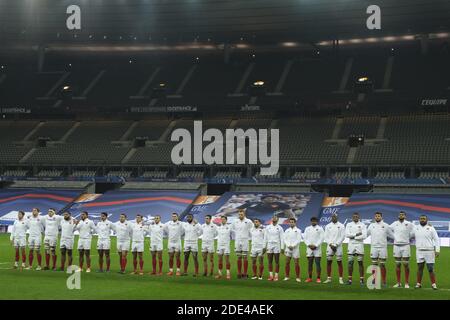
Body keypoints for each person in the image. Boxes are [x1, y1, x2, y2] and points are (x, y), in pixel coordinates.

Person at [411, 215, 440, 290]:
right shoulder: (415, 228)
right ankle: (418, 284)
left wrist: (437, 250)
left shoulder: (431, 228)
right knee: (420, 268)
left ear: (427, 220)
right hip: (419, 251)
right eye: (421, 219)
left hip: (429, 251)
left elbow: (436, 239)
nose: (422, 220)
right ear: (419, 220)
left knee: (430, 268)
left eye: (424, 219)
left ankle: (433, 284)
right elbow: (409, 235)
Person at [367, 212, 394, 287]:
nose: (377, 217)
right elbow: (366, 234)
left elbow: (392, 235)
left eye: (379, 216)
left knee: (382, 264)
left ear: (381, 217)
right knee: (374, 264)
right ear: (374, 217)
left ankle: (384, 281)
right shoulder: (371, 225)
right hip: (374, 247)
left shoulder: (385, 225)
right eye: (376, 216)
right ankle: (374, 279)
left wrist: (399, 239)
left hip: (383, 247)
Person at [390, 211, 414, 288]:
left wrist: (409, 237)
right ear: (398, 216)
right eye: (400, 214)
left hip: (406, 245)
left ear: (405, 216)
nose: (401, 216)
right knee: (397, 264)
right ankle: (398, 283)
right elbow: (387, 230)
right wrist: (393, 237)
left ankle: (406, 283)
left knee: (406, 264)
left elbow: (416, 229)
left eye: (403, 215)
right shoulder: (394, 223)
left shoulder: (409, 224)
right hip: (396, 246)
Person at [345, 212, 367, 286]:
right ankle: (350, 280)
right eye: (354, 216)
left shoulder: (362, 225)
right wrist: (356, 234)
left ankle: (361, 280)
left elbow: (364, 236)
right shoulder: (349, 224)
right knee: (350, 263)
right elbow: (347, 235)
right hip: (351, 245)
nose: (355, 217)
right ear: (352, 217)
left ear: (359, 217)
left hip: (360, 245)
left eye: (356, 216)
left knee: (360, 262)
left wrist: (353, 237)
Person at [323, 213, 345, 284]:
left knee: (339, 262)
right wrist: (330, 244)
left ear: (337, 217)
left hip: (338, 246)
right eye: (333, 217)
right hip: (330, 246)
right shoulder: (328, 226)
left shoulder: (341, 225)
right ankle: (329, 278)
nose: (334, 218)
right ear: (331, 218)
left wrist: (336, 244)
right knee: (329, 262)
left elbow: (342, 237)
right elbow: (326, 237)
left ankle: (341, 278)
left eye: (335, 217)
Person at [231, 209, 252, 278]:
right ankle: (239, 273)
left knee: (245, 257)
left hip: (245, 240)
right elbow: (232, 229)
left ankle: (245, 273)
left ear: (244, 214)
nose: (240, 215)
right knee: (239, 256)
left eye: (241, 214)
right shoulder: (235, 221)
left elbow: (252, 230)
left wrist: (250, 238)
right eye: (239, 214)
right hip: (237, 240)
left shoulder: (248, 221)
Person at [303, 217, 324, 283]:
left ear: (317, 221)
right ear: (310, 221)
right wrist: (309, 245)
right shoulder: (307, 228)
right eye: (312, 221)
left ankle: (318, 278)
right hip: (309, 248)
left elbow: (322, 238)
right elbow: (304, 238)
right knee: (310, 264)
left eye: (314, 221)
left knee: (317, 263)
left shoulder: (320, 229)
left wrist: (316, 245)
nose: (313, 222)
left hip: (317, 249)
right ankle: (309, 278)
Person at [264, 215, 284, 281]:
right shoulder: (268, 227)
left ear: (278, 219)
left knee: (277, 261)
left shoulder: (280, 228)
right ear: (271, 219)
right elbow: (265, 238)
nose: (274, 219)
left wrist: (282, 247)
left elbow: (282, 238)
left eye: (275, 218)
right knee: (270, 261)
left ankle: (276, 276)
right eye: (273, 218)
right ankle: (271, 276)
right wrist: (264, 246)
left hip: (277, 245)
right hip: (269, 245)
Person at [283, 217, 302, 282]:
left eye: (292, 222)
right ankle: (287, 276)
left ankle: (297, 277)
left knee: (296, 263)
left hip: (295, 249)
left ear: (295, 223)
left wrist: (293, 246)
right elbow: (285, 239)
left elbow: (298, 239)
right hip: (288, 248)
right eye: (290, 222)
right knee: (287, 262)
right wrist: (288, 245)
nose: (291, 223)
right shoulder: (287, 230)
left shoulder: (298, 230)